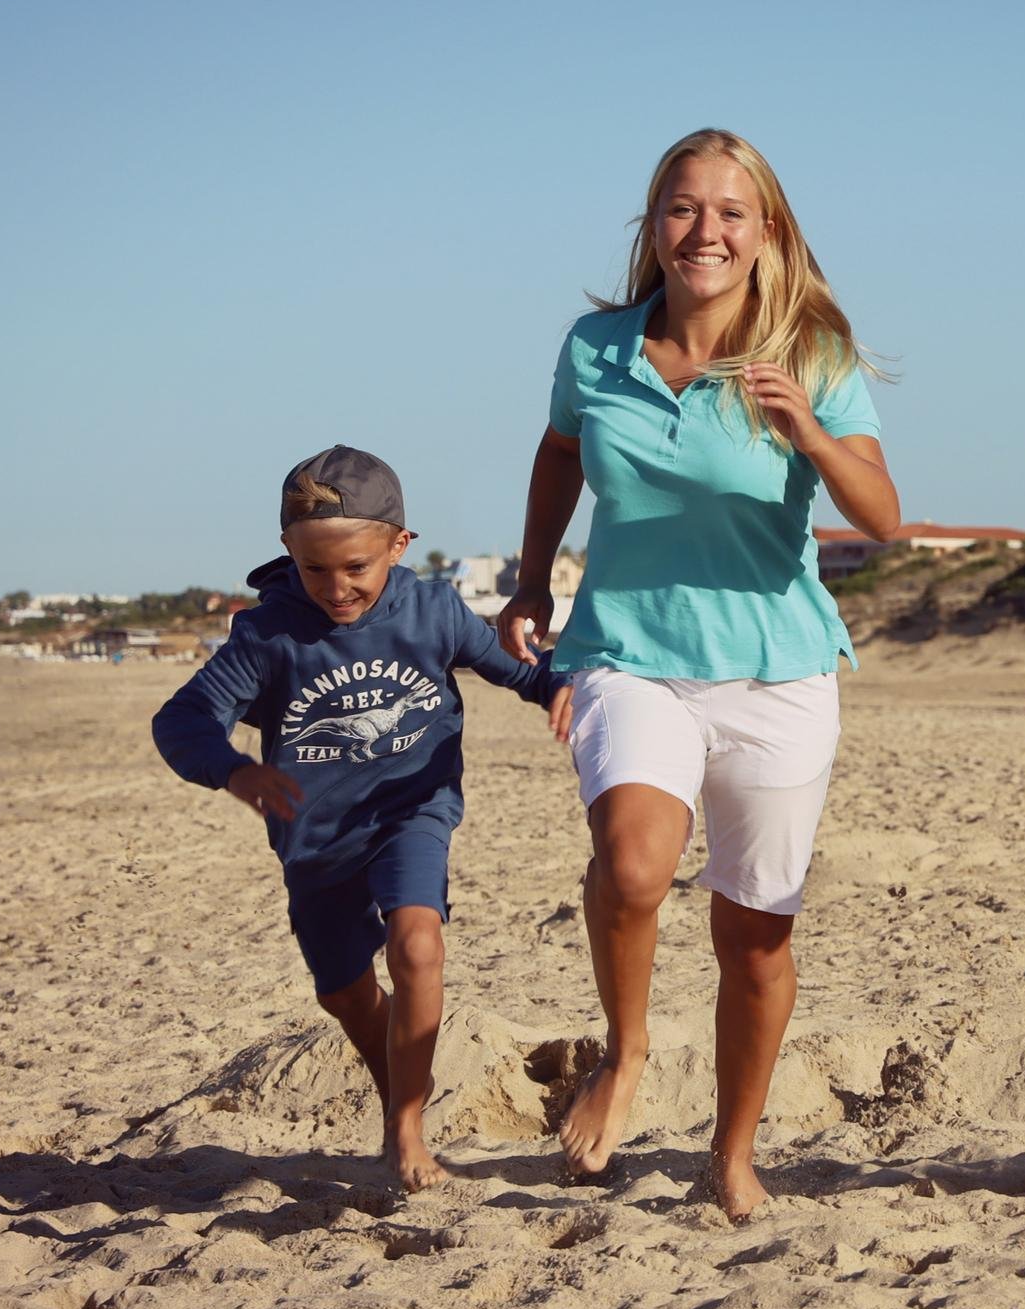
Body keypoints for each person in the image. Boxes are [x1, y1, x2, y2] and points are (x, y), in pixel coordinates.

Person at [496, 129, 900, 1221]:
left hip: (777, 670)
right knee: (632, 868)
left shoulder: (812, 349)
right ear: (654, 226)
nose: (705, 230)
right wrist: (532, 582)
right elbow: (560, 452)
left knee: (754, 932)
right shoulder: (597, 347)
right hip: (630, 651)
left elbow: (883, 515)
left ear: (766, 234)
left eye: (730, 211)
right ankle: (625, 1057)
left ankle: (732, 1150)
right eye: (683, 208)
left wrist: (807, 429)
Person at [152, 446, 569, 1190]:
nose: (336, 587)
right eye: (315, 569)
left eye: (356, 568)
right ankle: (399, 1094)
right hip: (315, 838)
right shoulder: (270, 634)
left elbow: (519, 671)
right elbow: (181, 720)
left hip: (413, 805)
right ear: (288, 550)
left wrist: (563, 690)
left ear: (398, 545)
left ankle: (407, 1127)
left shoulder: (432, 608)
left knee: (417, 947)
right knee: (344, 991)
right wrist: (236, 769)